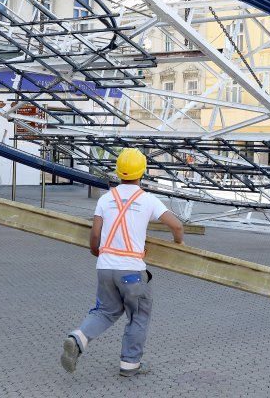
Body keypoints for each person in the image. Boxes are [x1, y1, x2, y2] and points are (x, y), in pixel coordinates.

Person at [61, 148, 184, 377]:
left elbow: (95, 234)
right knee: (138, 315)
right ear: (142, 172)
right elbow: (177, 226)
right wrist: (178, 244)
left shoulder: (106, 199)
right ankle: (130, 364)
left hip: (105, 268)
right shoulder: (148, 200)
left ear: (118, 172)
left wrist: (96, 252)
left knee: (105, 311)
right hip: (132, 272)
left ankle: (78, 338)